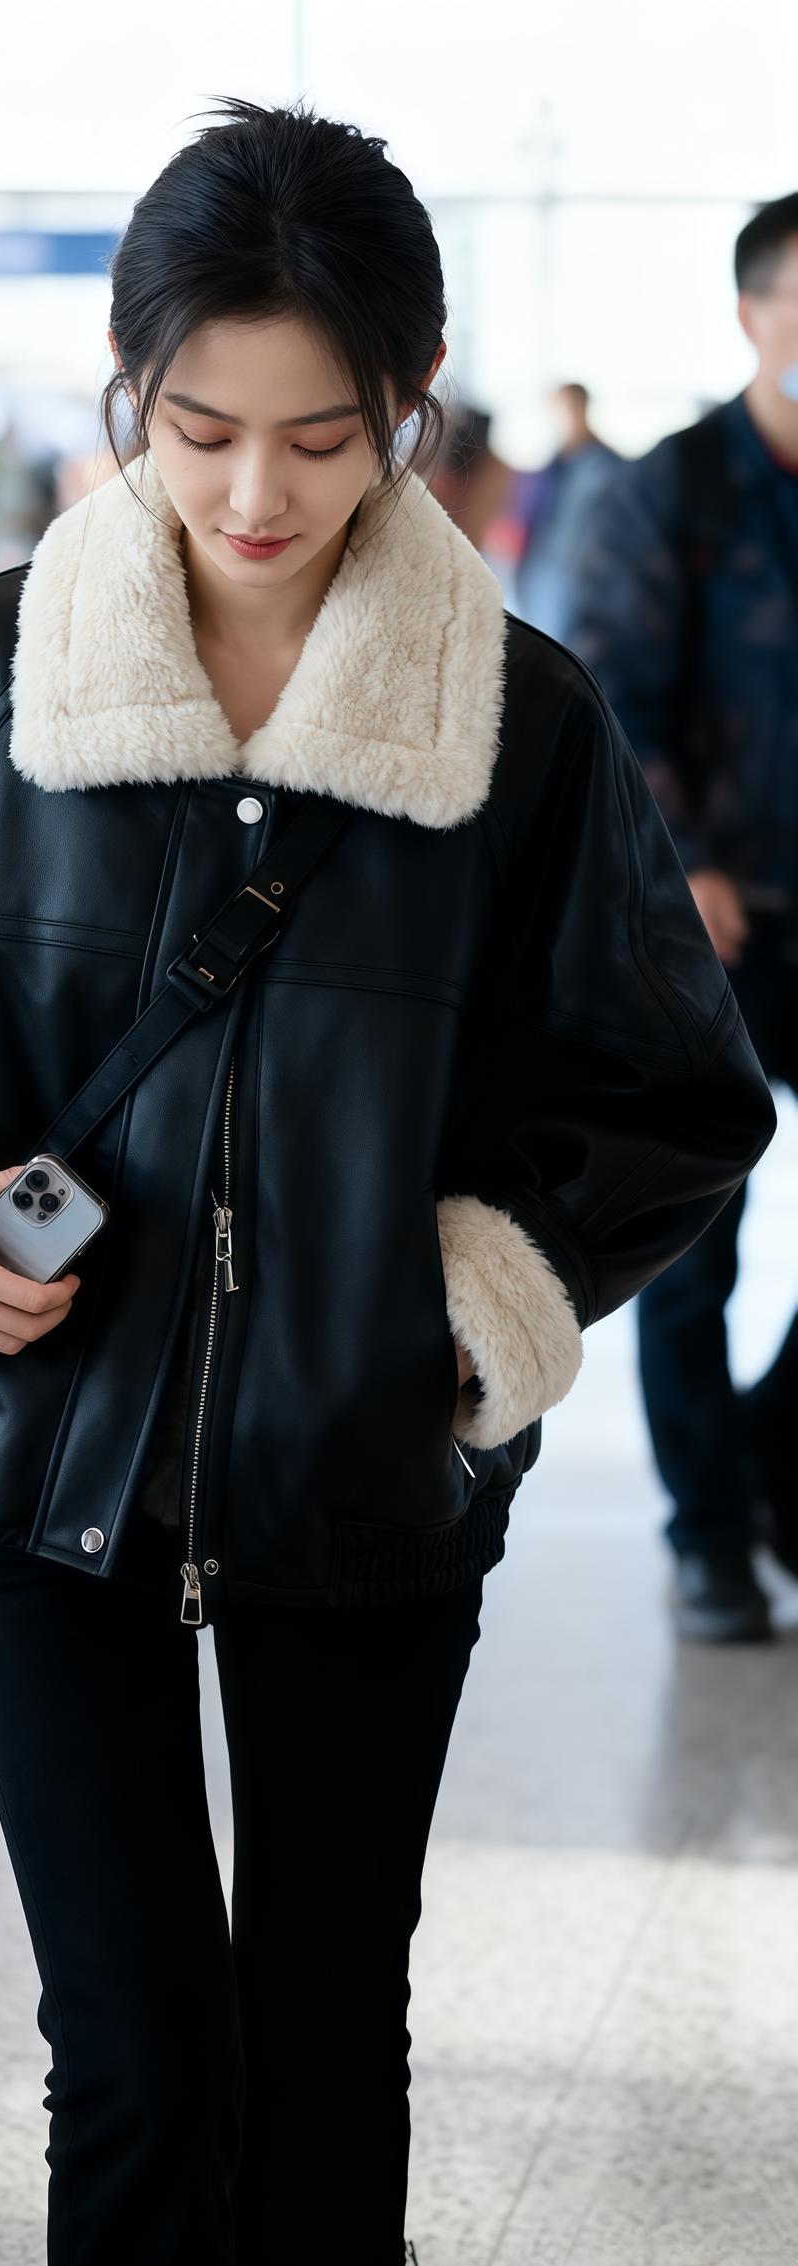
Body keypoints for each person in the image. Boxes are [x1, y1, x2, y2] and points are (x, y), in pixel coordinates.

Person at [0, 98, 776, 2266]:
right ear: (127, 390)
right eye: (197, 431)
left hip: (370, 1472)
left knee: (325, 2043)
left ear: (408, 406)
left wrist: (465, 1302)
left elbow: (678, 1090)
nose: (256, 493)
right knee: (141, 2060)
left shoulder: (520, 726)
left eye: (321, 438)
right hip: (35, 1463)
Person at [568, 191, 798, 1645]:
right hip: (714, 926)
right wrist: (686, 859)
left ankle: (772, 1461)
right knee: (692, 1240)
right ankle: (710, 1532)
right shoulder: (677, 491)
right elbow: (607, 694)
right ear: (750, 313)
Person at [514, 382, 620, 643]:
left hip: (579, 583)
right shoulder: (553, 465)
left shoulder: (609, 468)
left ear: (580, 408)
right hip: (541, 577)